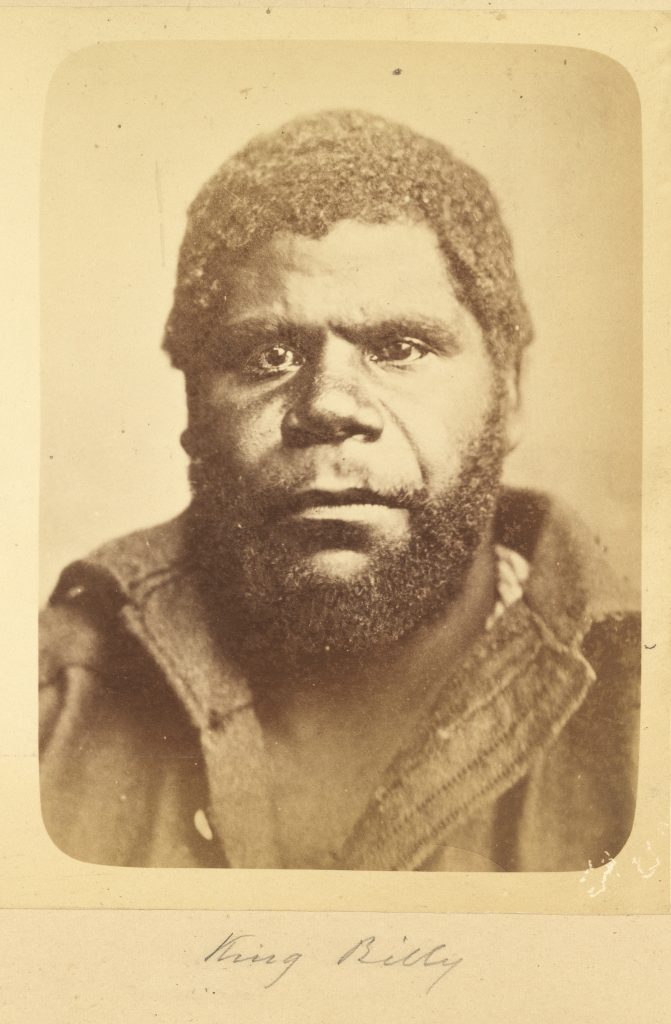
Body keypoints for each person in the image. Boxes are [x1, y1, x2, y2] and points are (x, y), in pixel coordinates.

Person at [39, 109, 640, 871]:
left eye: (399, 348)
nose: (329, 403)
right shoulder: (41, 706)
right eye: (268, 355)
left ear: (510, 391)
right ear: (193, 405)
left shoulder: (640, 713)